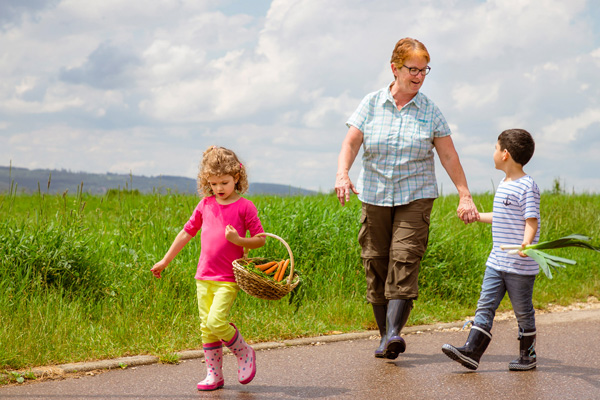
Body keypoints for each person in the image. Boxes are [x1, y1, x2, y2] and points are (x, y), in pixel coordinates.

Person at [335, 37, 479, 360]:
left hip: (416, 195)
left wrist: (464, 194)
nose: (418, 76)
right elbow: (351, 143)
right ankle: (385, 335)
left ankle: (395, 334)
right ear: (394, 68)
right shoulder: (371, 103)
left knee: (404, 257)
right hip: (374, 194)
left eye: (424, 70)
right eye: (412, 69)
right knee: (376, 261)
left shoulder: (430, 110)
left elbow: (448, 155)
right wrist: (342, 173)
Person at [151, 146, 266, 391]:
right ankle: (214, 374)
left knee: (215, 321)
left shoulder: (245, 207)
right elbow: (186, 233)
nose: (219, 188)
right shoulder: (205, 205)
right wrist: (165, 260)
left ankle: (243, 351)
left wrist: (240, 242)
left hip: (228, 278)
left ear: (237, 177)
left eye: (224, 182)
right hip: (204, 276)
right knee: (206, 327)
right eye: (213, 184)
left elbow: (260, 239)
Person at [442, 129, 540, 371]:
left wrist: (526, 244)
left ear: (505, 154)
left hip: (519, 265)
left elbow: (531, 220)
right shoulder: (504, 183)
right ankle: (472, 351)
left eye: (496, 148)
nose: (493, 152)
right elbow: (502, 216)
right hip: (496, 262)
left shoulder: (527, 186)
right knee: (485, 305)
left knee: (523, 311)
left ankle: (528, 355)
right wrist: (477, 217)